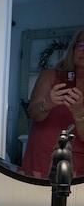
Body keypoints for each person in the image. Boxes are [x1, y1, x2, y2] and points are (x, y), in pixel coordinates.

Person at [21, 30, 84, 178]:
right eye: (82, 45)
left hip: (76, 164)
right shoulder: (50, 76)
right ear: (73, 49)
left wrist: (78, 113)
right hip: (40, 158)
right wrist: (48, 103)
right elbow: (33, 114)